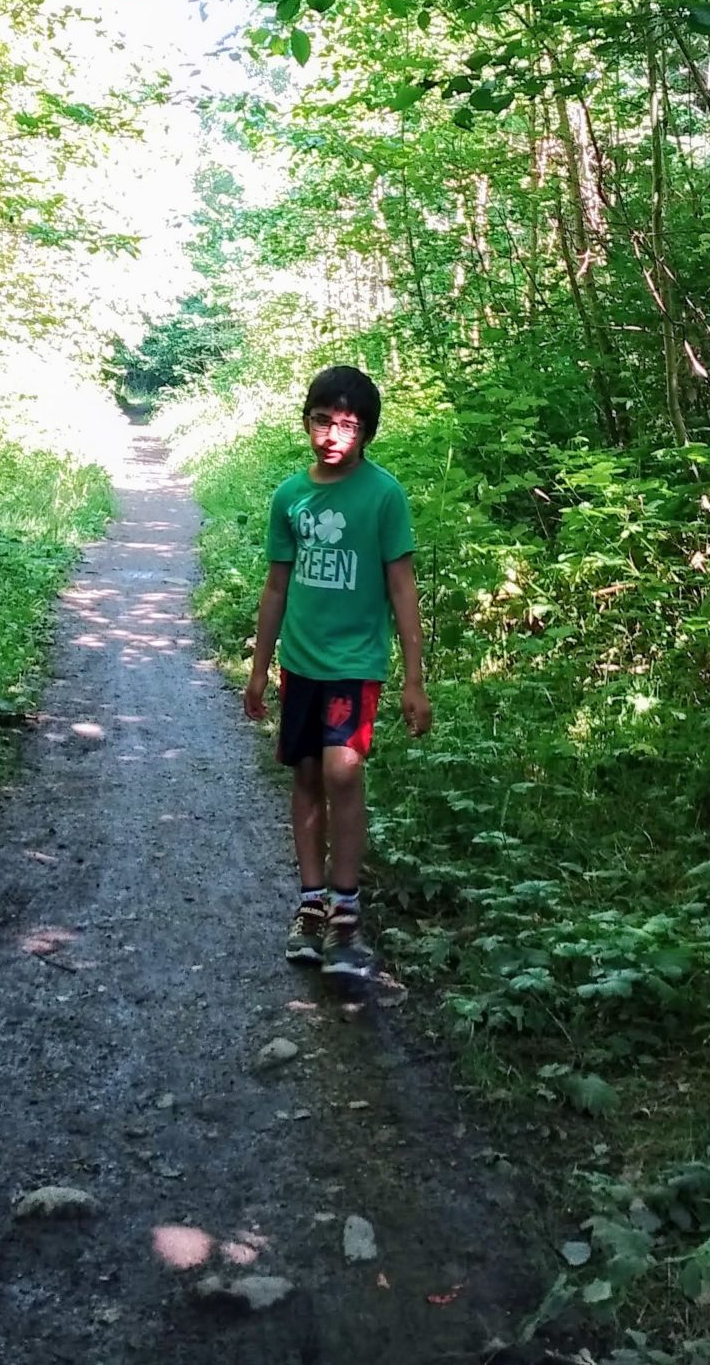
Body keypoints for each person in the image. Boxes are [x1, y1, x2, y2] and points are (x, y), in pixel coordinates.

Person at [241, 364, 432, 981]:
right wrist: (259, 668)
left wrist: (413, 678)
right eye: (322, 421)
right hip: (300, 663)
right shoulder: (289, 497)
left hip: (355, 664)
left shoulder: (383, 495)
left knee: (341, 773)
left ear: (367, 432)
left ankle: (345, 914)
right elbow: (276, 586)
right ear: (306, 421)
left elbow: (401, 587)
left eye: (348, 425)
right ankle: (311, 904)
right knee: (305, 776)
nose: (332, 435)